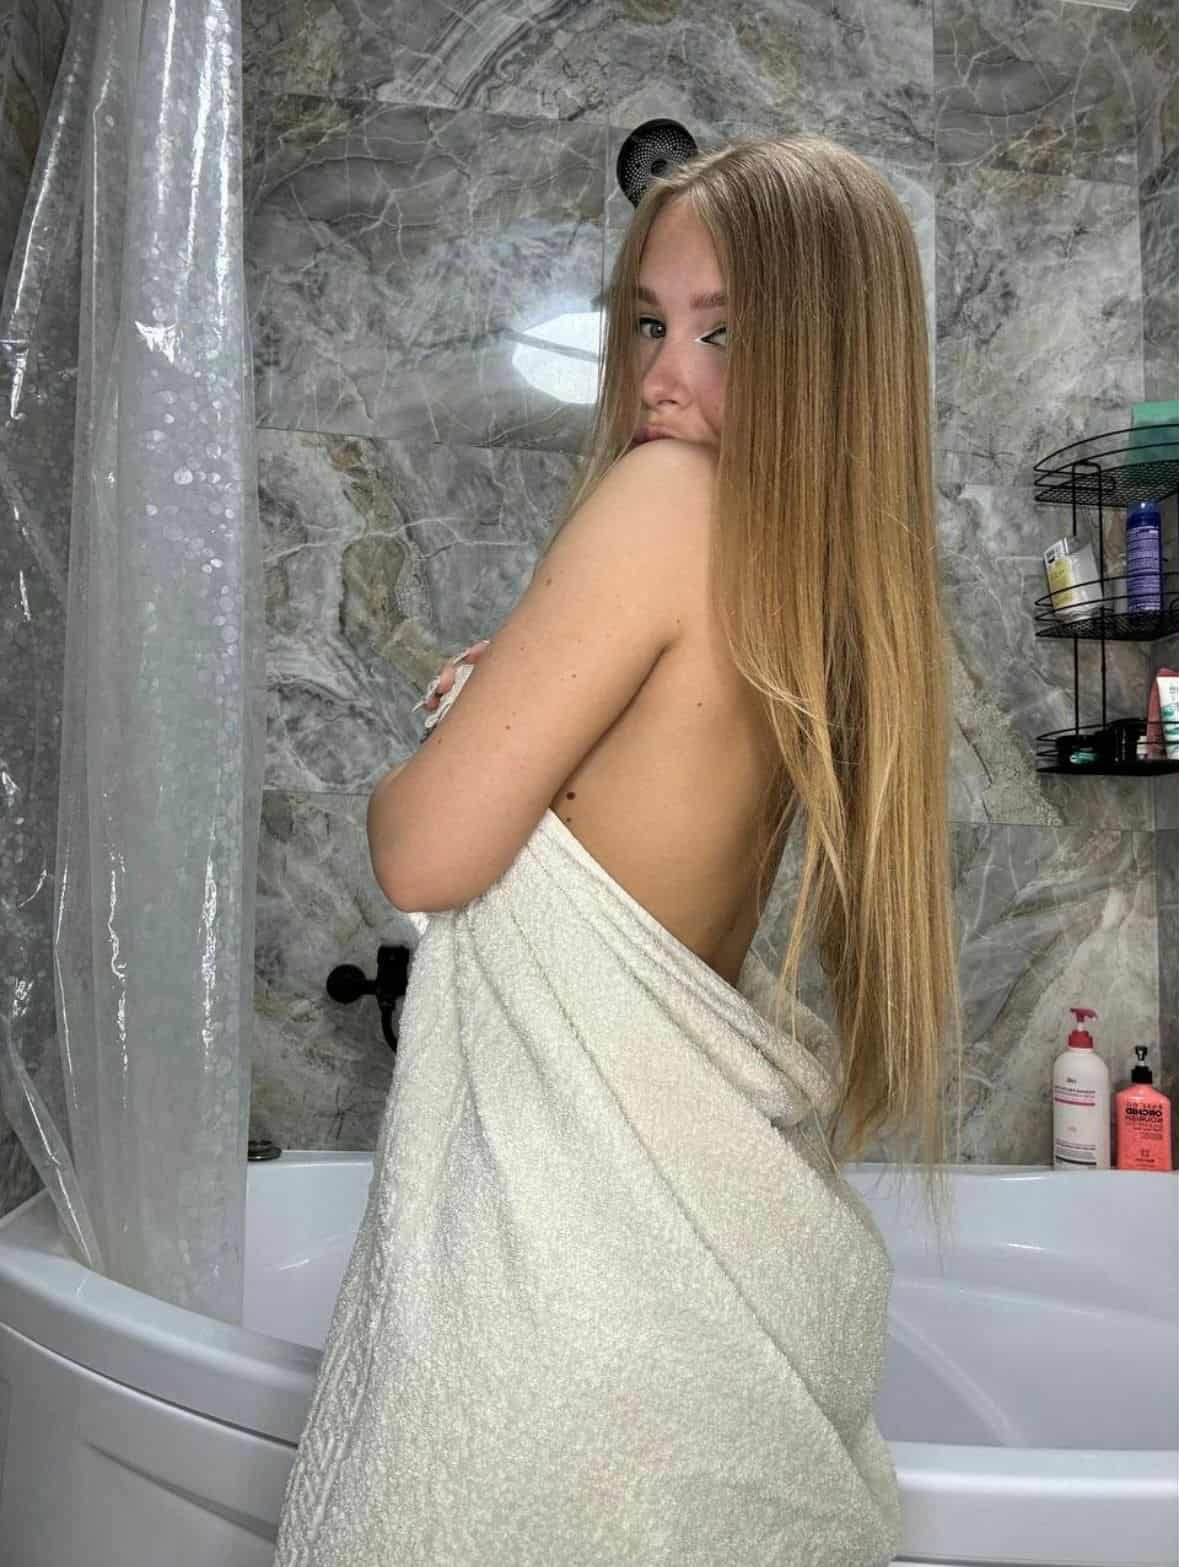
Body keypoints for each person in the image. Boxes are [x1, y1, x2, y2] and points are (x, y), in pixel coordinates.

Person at [273, 133, 960, 1567]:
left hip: (578, 1274)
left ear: (829, 363)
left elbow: (422, 854)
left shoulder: (663, 505)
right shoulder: (823, 600)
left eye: (725, 334)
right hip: (695, 1257)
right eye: (649, 322)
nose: (660, 376)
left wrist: (453, 729)